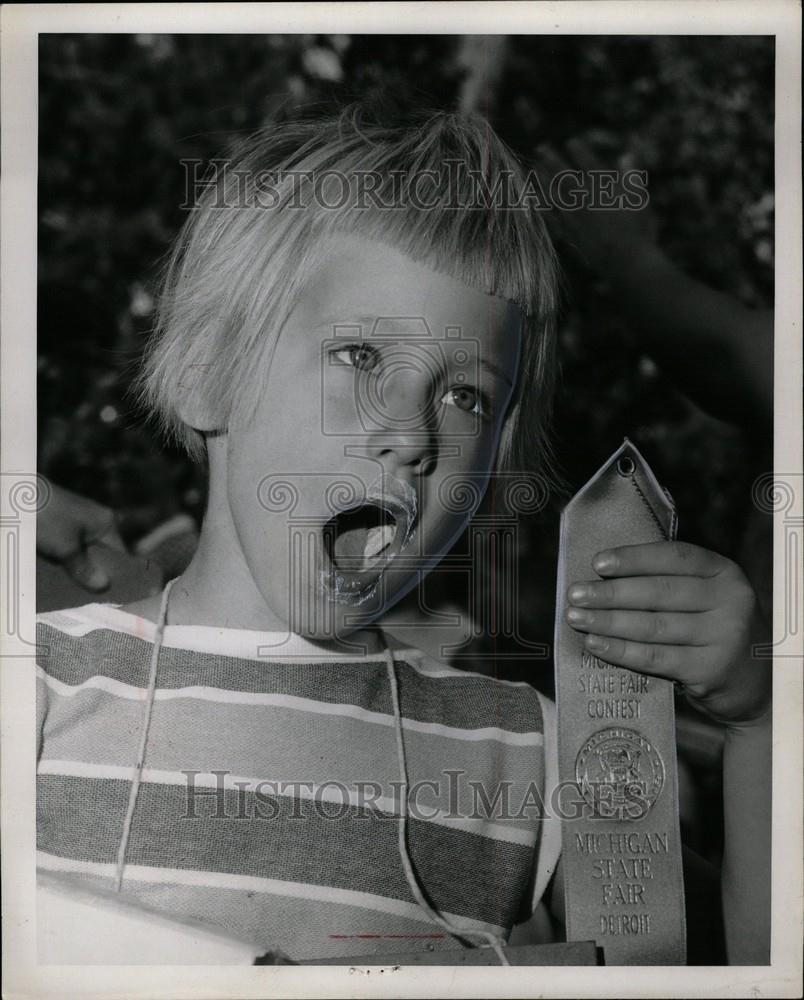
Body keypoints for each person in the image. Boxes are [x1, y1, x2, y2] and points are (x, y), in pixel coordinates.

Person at [35, 103, 770, 965]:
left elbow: (734, 970)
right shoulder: (44, 687)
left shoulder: (525, 752)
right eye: (360, 357)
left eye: (467, 398)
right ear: (208, 378)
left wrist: (758, 724)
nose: (413, 433)